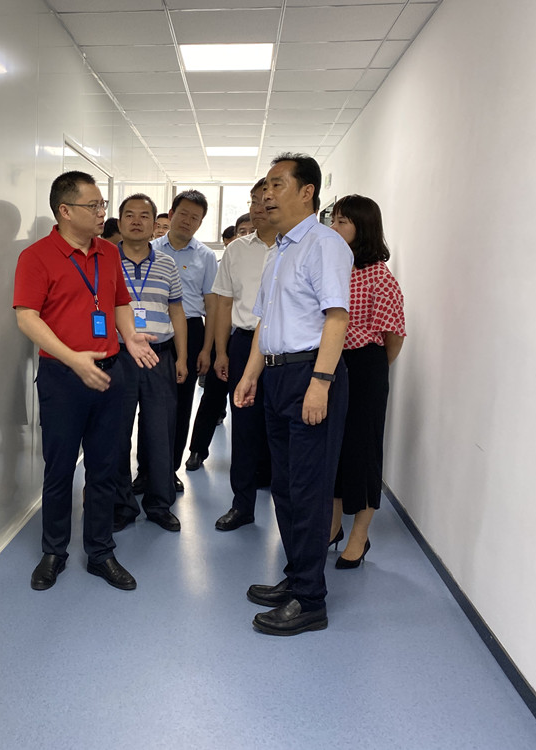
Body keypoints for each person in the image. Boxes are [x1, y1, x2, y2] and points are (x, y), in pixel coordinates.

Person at [13, 171, 158, 592]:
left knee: (105, 467)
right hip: (63, 376)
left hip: (111, 372)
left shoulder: (108, 253)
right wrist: (72, 358)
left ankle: (100, 552)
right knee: (60, 469)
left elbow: (119, 302)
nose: (101, 213)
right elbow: (27, 317)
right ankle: (54, 551)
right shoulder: (36, 257)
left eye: (102, 205)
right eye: (93, 206)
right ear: (65, 211)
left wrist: (130, 336)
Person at [236, 153, 353, 636]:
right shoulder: (280, 249)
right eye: (265, 186)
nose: (267, 194)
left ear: (307, 192)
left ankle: (310, 601)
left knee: (308, 489)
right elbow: (265, 322)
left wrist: (320, 383)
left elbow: (336, 317)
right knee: (284, 486)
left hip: (310, 374)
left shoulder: (324, 245)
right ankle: (297, 576)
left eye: (278, 185)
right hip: (277, 376)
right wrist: (250, 375)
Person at [327, 195, 406, 568]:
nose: (334, 228)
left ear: (363, 227)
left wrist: (371, 369)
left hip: (365, 367)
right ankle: (332, 526)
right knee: (333, 447)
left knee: (363, 450)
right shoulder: (332, 267)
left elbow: (394, 337)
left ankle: (359, 535)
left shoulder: (379, 276)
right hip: (330, 363)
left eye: (342, 222)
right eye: (333, 220)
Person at [111, 194, 188, 533]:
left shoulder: (167, 264)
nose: (137, 221)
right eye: (129, 215)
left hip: (159, 355)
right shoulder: (104, 261)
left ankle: (159, 504)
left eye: (144, 215)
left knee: (160, 432)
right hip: (118, 356)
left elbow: (177, 311)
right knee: (116, 434)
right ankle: (121, 505)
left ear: (155, 222)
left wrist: (182, 357)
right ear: (120, 221)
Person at [211, 180, 274, 531]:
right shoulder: (236, 251)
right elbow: (223, 303)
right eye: (253, 201)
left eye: (265, 200)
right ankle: (242, 504)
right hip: (243, 342)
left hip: (283, 349)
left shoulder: (296, 247)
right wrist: (222, 351)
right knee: (244, 426)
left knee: (281, 428)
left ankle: (286, 509)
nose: (257, 207)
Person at [152, 191, 228, 478]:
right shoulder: (150, 248)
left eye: (195, 218)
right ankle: (147, 470)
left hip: (193, 328)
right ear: (171, 214)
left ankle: (170, 470)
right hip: (155, 330)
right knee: (150, 402)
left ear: (200, 223)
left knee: (182, 404)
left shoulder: (206, 256)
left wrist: (207, 349)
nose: (187, 221)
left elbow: (212, 305)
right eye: (183, 214)